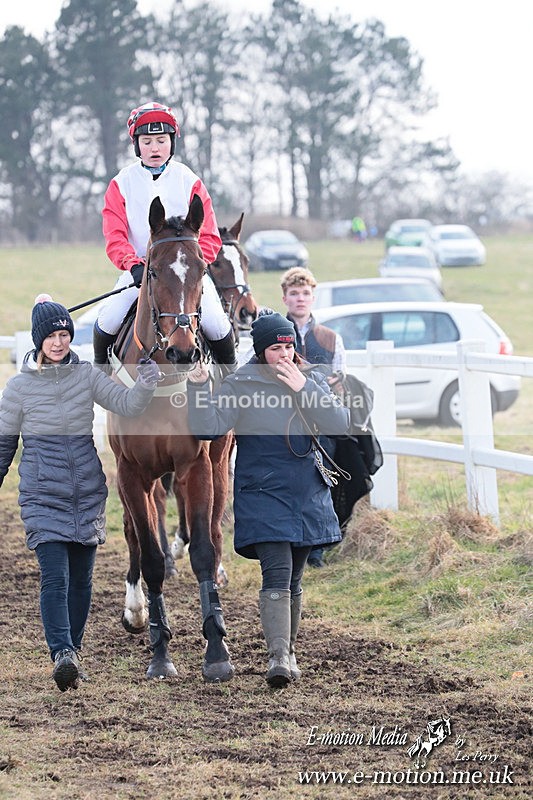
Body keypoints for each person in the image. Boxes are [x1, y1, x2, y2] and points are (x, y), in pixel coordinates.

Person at [0, 296, 160, 692]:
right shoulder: (18, 388)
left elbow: (125, 404)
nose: (59, 343)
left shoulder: (86, 376)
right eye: (51, 336)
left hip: (86, 493)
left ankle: (73, 653)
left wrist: (145, 384)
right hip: (42, 494)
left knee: (82, 581)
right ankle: (61, 653)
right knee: (55, 577)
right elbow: (4, 445)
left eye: (64, 335)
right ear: (38, 340)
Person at [186, 310, 349, 687]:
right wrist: (198, 388)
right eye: (275, 348)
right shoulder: (241, 383)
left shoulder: (310, 378)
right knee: (276, 572)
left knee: (295, 578)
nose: (284, 355)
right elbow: (207, 427)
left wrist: (304, 389)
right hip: (263, 492)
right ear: (261, 351)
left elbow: (340, 424)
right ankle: (278, 657)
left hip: (307, 492)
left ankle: (288, 653)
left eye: (288, 347)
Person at [94, 100, 237, 371]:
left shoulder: (189, 180)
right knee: (108, 320)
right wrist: (134, 266)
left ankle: (232, 382)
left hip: (188, 275)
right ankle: (100, 378)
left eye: (161, 140)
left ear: (172, 142)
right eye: (147, 142)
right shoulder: (120, 183)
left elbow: (209, 237)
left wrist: (194, 267)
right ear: (137, 145)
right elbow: (115, 237)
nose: (155, 148)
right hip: (140, 271)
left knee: (218, 325)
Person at [281, 267, 347, 567]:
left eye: (305, 293)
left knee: (321, 479)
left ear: (313, 297)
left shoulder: (330, 338)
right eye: (294, 293)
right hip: (285, 419)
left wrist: (334, 384)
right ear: (285, 297)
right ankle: (291, 541)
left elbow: (341, 375)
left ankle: (317, 547)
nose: (300, 298)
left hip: (320, 419)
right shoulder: (276, 333)